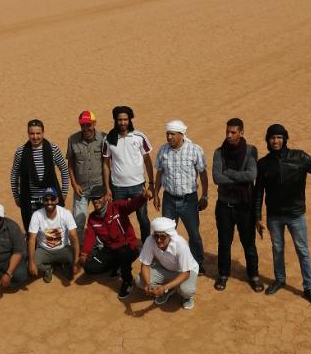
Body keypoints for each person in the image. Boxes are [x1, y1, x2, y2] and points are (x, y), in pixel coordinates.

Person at [254, 123, 311, 306]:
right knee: (277, 249)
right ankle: (280, 280)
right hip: (274, 216)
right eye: (272, 138)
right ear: (268, 140)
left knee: (302, 251)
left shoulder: (300, 157)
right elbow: (258, 193)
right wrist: (258, 217)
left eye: (279, 137)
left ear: (285, 139)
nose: (276, 141)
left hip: (296, 214)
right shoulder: (263, 164)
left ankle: (309, 288)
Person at [212, 117, 263, 292]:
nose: (229, 135)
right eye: (227, 132)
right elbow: (217, 178)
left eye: (233, 132)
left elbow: (252, 175)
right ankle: (223, 274)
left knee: (249, 243)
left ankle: (253, 275)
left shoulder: (251, 151)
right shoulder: (219, 152)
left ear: (241, 133)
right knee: (224, 243)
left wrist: (229, 173)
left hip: (244, 206)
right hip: (224, 206)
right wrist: (239, 178)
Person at [77, 185, 152, 299]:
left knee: (122, 253)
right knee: (89, 268)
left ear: (106, 197)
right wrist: (84, 254)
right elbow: (89, 237)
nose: (95, 201)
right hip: (110, 250)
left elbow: (130, 205)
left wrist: (142, 197)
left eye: (98, 197)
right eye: (93, 198)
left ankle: (127, 281)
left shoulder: (117, 206)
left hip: (128, 247)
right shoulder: (92, 218)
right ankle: (116, 265)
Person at [153, 119, 208, 275]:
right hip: (169, 199)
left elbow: (203, 173)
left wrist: (205, 195)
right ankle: (169, 262)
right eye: (167, 134)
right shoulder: (163, 150)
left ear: (181, 134)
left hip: (189, 200)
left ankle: (198, 262)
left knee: (194, 233)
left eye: (172, 134)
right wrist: (156, 194)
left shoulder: (194, 150)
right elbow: (160, 173)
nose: (169, 137)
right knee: (166, 232)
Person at [102, 105, 154, 242]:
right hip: (118, 187)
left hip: (138, 186)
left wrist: (151, 184)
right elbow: (106, 164)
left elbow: (147, 161)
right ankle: (123, 246)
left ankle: (146, 247)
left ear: (130, 120)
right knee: (119, 219)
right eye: (120, 120)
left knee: (143, 219)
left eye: (125, 119)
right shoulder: (108, 139)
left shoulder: (139, 137)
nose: (123, 122)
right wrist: (107, 188)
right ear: (115, 120)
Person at [10, 119, 69, 232]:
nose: (35, 137)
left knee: (52, 231)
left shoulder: (53, 149)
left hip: (50, 199)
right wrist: (16, 196)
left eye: (38, 133)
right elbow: (14, 174)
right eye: (32, 133)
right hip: (30, 200)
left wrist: (64, 192)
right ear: (28, 133)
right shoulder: (21, 152)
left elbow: (64, 170)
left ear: (43, 133)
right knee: (33, 231)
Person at [135, 217, 199, 310]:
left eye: (163, 236)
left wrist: (164, 287)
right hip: (165, 268)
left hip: (185, 271)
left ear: (170, 236)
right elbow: (145, 265)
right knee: (139, 281)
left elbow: (186, 273)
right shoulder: (150, 240)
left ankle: (186, 297)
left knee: (186, 290)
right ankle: (168, 290)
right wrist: (147, 284)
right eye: (156, 236)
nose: (158, 240)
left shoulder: (181, 244)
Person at [67, 110, 106, 245]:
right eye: (83, 125)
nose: (85, 128)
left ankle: (102, 247)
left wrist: (107, 187)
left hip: (99, 188)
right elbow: (71, 164)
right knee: (78, 222)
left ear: (94, 123)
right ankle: (77, 249)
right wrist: (74, 184)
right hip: (81, 189)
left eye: (88, 125)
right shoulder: (72, 140)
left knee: (102, 219)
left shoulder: (103, 138)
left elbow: (108, 164)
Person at [28, 187, 80, 283]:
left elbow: (74, 237)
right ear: (42, 201)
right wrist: (31, 262)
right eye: (46, 199)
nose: (49, 202)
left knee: (76, 259)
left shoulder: (66, 214)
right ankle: (48, 268)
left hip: (63, 248)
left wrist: (76, 262)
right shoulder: (36, 215)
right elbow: (32, 239)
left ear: (57, 200)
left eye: (52, 199)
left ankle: (65, 265)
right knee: (31, 262)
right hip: (44, 250)